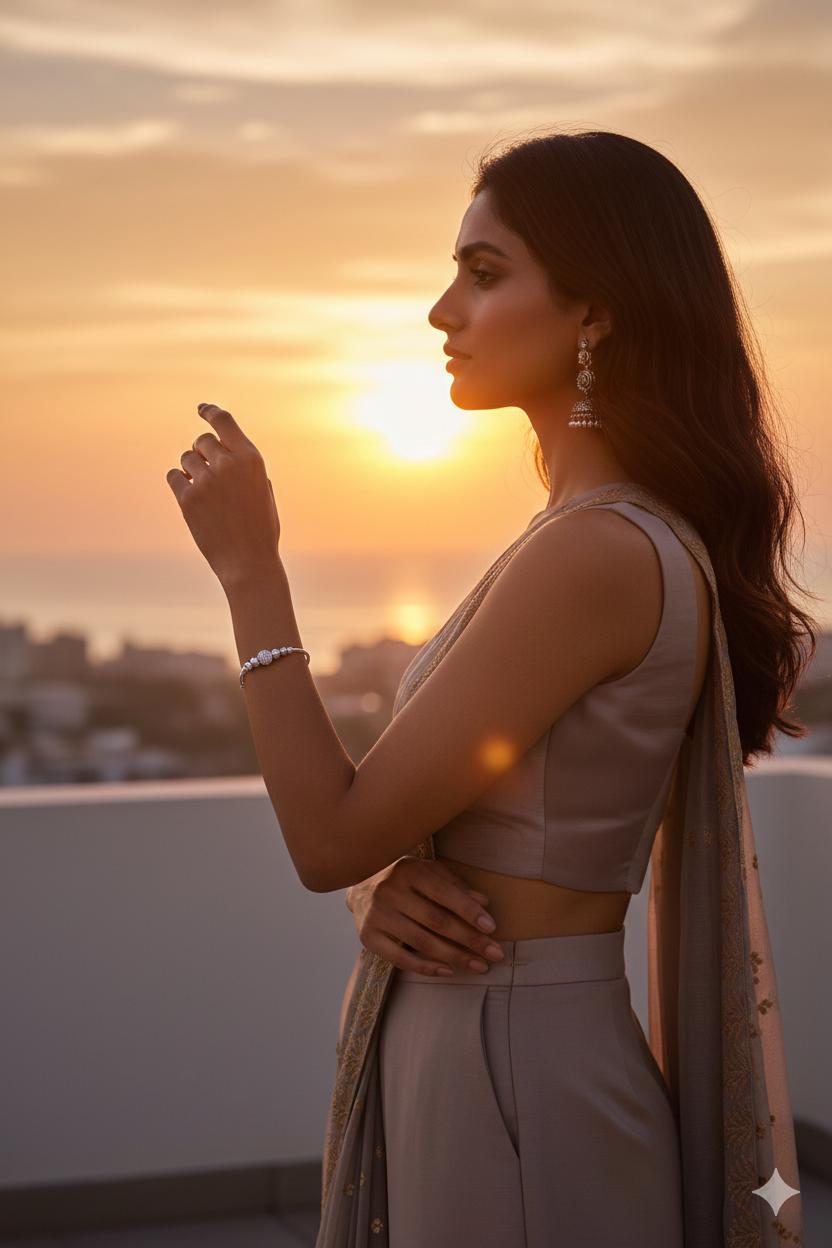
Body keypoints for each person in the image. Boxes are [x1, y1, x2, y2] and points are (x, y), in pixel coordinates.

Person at [167, 130, 812, 1248]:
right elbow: (400, 839)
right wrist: (385, 882)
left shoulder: (595, 555)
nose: (441, 311)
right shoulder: (587, 539)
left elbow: (328, 838)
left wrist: (250, 575)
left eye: (483, 272)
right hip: (491, 1047)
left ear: (594, 313)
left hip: (515, 1075)